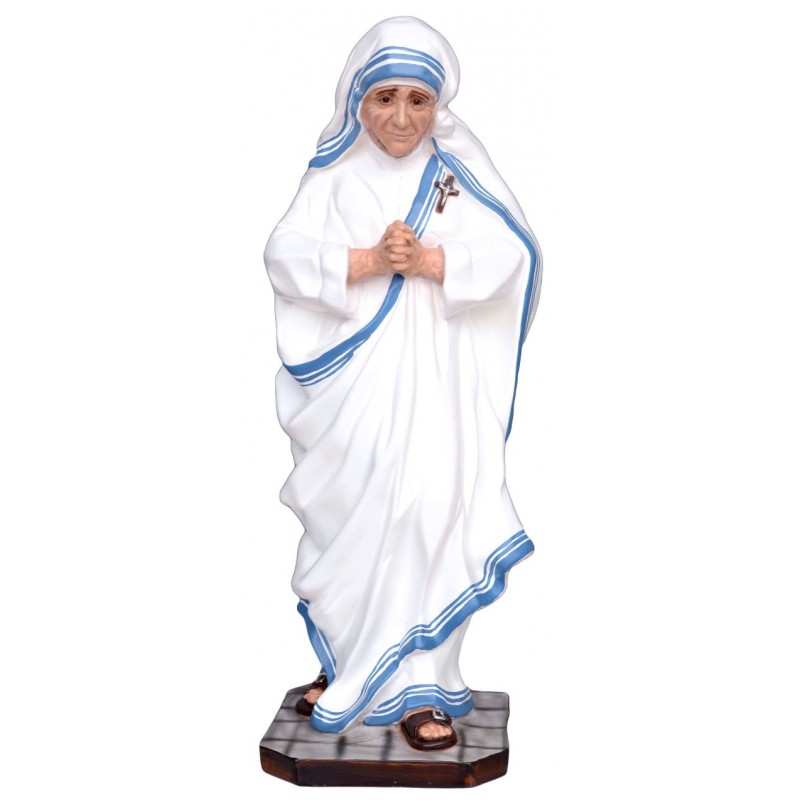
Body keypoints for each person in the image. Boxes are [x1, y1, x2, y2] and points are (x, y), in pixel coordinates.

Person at [264, 16, 541, 751]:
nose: (399, 117)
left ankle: (421, 685)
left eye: (417, 100)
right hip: (352, 397)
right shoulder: (333, 179)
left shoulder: (454, 177)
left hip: (434, 394)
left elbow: (512, 256)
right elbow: (284, 255)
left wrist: (431, 263)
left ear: (438, 105)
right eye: (384, 97)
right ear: (357, 99)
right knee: (349, 521)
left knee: (425, 513)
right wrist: (363, 262)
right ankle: (349, 666)